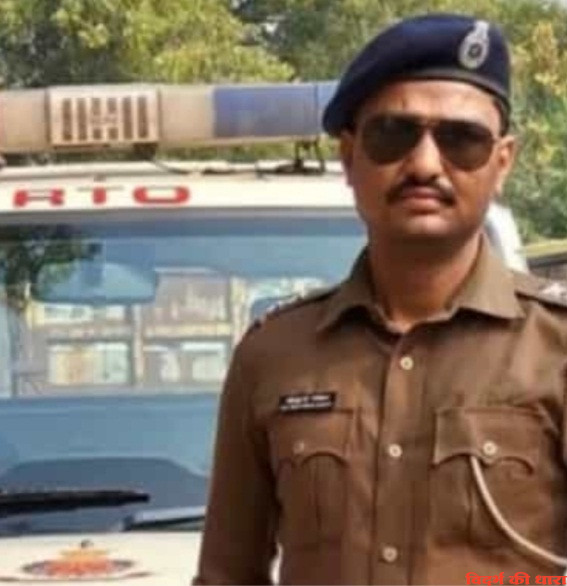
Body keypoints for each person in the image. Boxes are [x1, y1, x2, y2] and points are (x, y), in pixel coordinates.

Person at [194, 13, 567, 585]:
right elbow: (227, 575)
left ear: (502, 162)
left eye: (461, 139)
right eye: (394, 134)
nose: (424, 164)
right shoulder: (272, 356)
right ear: (349, 157)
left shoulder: (555, 349)